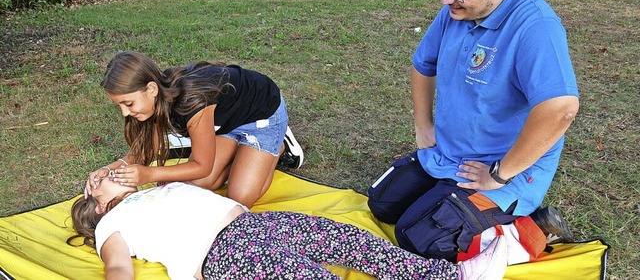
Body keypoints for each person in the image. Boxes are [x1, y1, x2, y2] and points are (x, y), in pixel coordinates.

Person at [367, 0, 579, 262]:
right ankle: (450, 199)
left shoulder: (536, 27)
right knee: (381, 202)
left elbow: (561, 108)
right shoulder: (457, 10)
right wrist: (423, 126)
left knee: (416, 236)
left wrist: (501, 172)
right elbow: (423, 64)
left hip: (500, 170)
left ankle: (532, 229)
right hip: (449, 153)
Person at [69, 171, 509, 279]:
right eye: (96, 183)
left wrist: (120, 173)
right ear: (98, 206)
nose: (100, 175)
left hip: (255, 226)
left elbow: (131, 167)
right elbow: (118, 267)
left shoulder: (143, 188)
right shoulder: (114, 225)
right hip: (224, 253)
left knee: (350, 239)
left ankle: (450, 275)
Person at [84, 51, 304, 208]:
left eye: (128, 104)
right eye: (119, 105)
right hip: (225, 122)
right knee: (201, 184)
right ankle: (244, 154)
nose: (124, 113)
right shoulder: (154, 102)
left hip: (262, 117)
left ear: (151, 89)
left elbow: (202, 165)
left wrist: (149, 174)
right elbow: (147, 149)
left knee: (238, 200)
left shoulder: (192, 101)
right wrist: (109, 168)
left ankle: (280, 145)